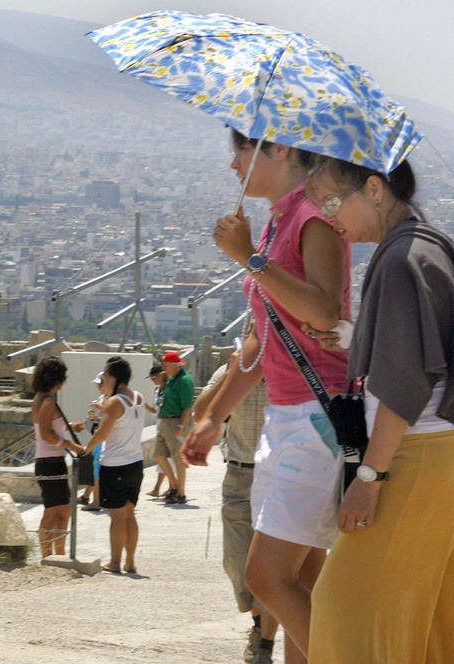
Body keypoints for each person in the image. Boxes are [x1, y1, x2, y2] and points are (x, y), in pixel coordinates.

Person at [303, 155, 454, 663]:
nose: (328, 216)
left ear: (373, 188)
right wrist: (362, 340)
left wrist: (369, 479)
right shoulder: (431, 245)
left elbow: (402, 389)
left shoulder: (397, 259)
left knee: (347, 613)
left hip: (418, 459)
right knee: (437, 626)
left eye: (330, 200)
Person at [183, 130, 350, 663]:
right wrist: (213, 415)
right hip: (286, 415)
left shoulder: (314, 217)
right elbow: (264, 336)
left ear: (277, 149)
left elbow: (326, 313)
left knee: (266, 576)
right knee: (299, 579)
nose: (233, 165)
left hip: (315, 417)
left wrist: (250, 258)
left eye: (239, 150)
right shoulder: (282, 217)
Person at [196, 360, 278, 664]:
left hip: (278, 477)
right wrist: (231, 375)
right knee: (236, 562)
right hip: (240, 475)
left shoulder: (288, 367)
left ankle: (264, 645)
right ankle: (259, 621)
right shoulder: (232, 370)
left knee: (271, 567)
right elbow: (200, 412)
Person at [84, 357, 145, 574]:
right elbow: (123, 418)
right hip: (135, 463)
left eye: (105, 374)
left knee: (117, 517)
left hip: (115, 465)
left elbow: (102, 433)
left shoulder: (113, 402)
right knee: (130, 514)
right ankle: (130, 562)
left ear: (114, 377)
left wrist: (88, 447)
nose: (103, 377)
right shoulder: (137, 396)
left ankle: (115, 562)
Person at [31, 356, 86, 557]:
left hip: (49, 462)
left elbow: (47, 428)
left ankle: (57, 555)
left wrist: (69, 428)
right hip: (50, 462)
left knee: (61, 511)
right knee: (55, 511)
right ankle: (50, 556)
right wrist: (73, 445)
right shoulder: (47, 401)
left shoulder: (40, 398)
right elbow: (46, 434)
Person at [156, 351, 195, 505]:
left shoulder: (184, 380)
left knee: (177, 458)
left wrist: (181, 425)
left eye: (165, 365)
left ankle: (181, 493)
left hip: (177, 421)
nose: (163, 368)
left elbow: (187, 406)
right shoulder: (172, 379)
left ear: (174, 365)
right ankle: (173, 485)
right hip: (166, 421)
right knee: (159, 454)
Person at [80, 372, 106, 511]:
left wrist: (100, 408)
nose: (98, 386)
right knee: (95, 468)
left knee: (97, 468)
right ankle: (88, 497)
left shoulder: (111, 398)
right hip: (99, 434)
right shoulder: (103, 397)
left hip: (103, 437)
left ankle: (96, 501)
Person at [144, 365, 170, 497]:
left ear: (162, 374)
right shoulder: (157, 390)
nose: (153, 380)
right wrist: (146, 407)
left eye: (155, 376)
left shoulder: (169, 388)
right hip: (160, 428)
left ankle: (170, 487)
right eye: (151, 378)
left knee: (166, 459)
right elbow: (156, 411)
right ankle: (158, 488)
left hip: (169, 427)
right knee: (162, 458)